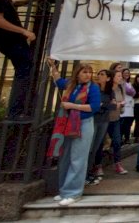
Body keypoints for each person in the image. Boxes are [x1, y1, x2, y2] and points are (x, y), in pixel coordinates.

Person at [48, 61, 100, 206]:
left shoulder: (93, 88)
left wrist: (72, 106)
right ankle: (64, 190)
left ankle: (73, 192)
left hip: (83, 124)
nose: (88, 75)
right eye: (84, 72)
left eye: (89, 72)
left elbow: (94, 107)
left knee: (78, 158)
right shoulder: (71, 85)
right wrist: (53, 66)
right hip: (68, 124)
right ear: (77, 73)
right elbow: (58, 81)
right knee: (65, 157)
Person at [94, 70, 128, 176]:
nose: (120, 78)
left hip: (115, 118)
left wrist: (118, 105)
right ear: (111, 78)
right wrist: (113, 104)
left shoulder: (119, 89)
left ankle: (118, 163)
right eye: (118, 76)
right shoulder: (101, 89)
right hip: (103, 119)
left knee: (117, 142)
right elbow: (103, 104)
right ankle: (97, 166)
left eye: (121, 76)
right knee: (99, 143)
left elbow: (115, 104)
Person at [86, 69, 114, 185]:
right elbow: (92, 105)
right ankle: (85, 173)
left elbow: (112, 106)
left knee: (96, 147)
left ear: (108, 78)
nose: (99, 76)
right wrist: (101, 105)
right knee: (89, 147)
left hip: (104, 121)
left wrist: (102, 105)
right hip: (93, 120)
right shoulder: (93, 88)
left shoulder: (109, 92)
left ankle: (89, 171)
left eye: (102, 74)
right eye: (98, 74)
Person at [119, 68, 135, 145]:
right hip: (123, 105)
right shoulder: (121, 82)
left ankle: (127, 138)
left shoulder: (129, 83)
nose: (126, 74)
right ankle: (120, 138)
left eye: (128, 73)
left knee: (128, 124)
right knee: (122, 123)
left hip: (130, 106)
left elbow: (133, 93)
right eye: (125, 73)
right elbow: (130, 92)